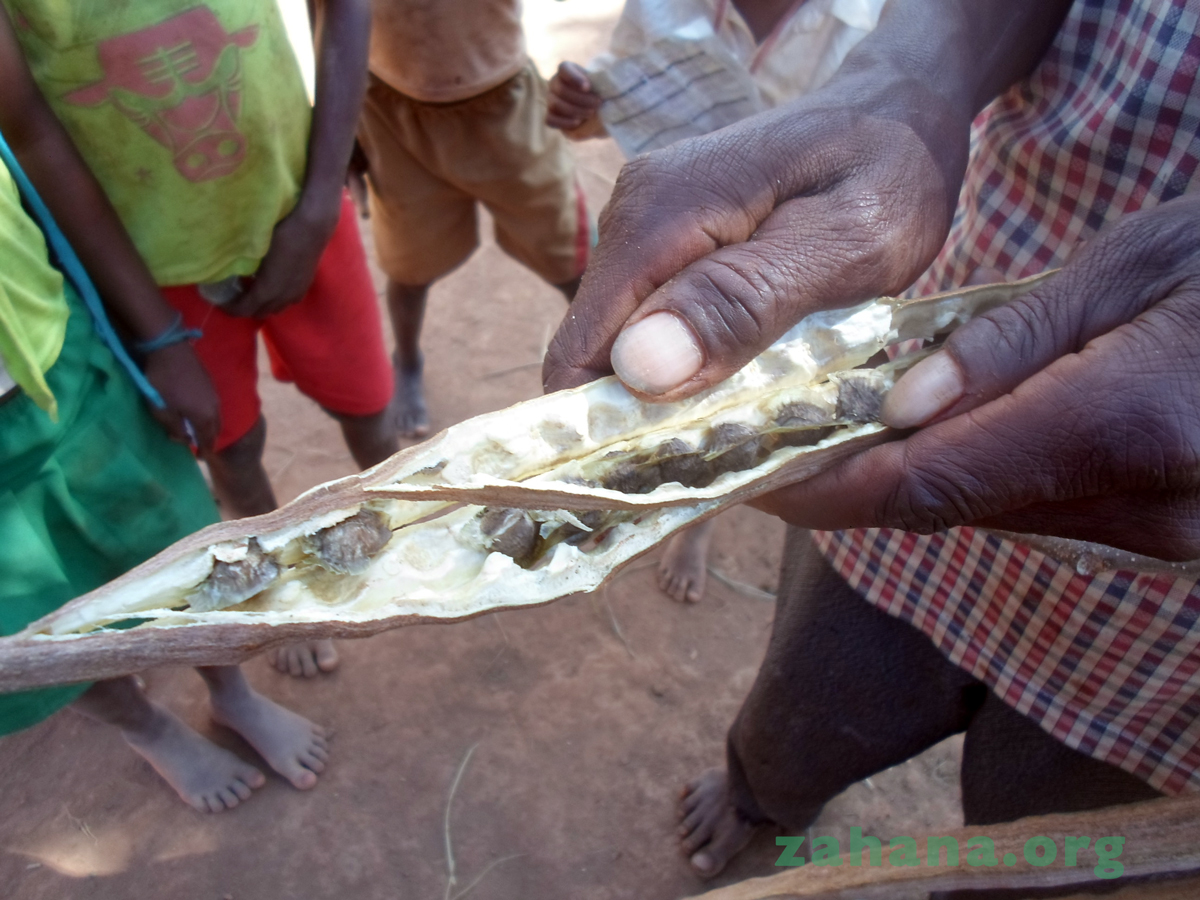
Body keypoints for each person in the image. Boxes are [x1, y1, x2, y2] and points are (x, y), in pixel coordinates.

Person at [543, 0, 1200, 891]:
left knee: (1046, 843)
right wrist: (911, 77)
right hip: (911, 397)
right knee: (804, 706)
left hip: (1165, 626)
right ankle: (763, 796)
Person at [5, 0, 397, 678]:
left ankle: (392, 513)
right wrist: (158, 337)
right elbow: (30, 127)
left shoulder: (310, 211)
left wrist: (315, 206)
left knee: (367, 406)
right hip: (151, 266)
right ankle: (277, 577)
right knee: (231, 445)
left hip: (296, 200)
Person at [0, 8, 327, 813]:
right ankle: (147, 728)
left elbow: (29, 126)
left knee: (176, 541)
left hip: (53, 364)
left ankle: (231, 693)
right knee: (35, 628)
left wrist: (160, 338)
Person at [547, 0, 886, 604]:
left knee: (724, 416)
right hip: (659, 237)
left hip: (793, 265)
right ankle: (605, 503)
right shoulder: (664, 8)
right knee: (621, 390)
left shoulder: (873, 21)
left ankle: (692, 524)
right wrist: (585, 110)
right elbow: (616, 100)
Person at [357, 0, 592, 440]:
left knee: (572, 257)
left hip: (507, 107)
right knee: (408, 267)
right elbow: (328, 16)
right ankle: (406, 359)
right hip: (390, 113)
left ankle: (599, 351)